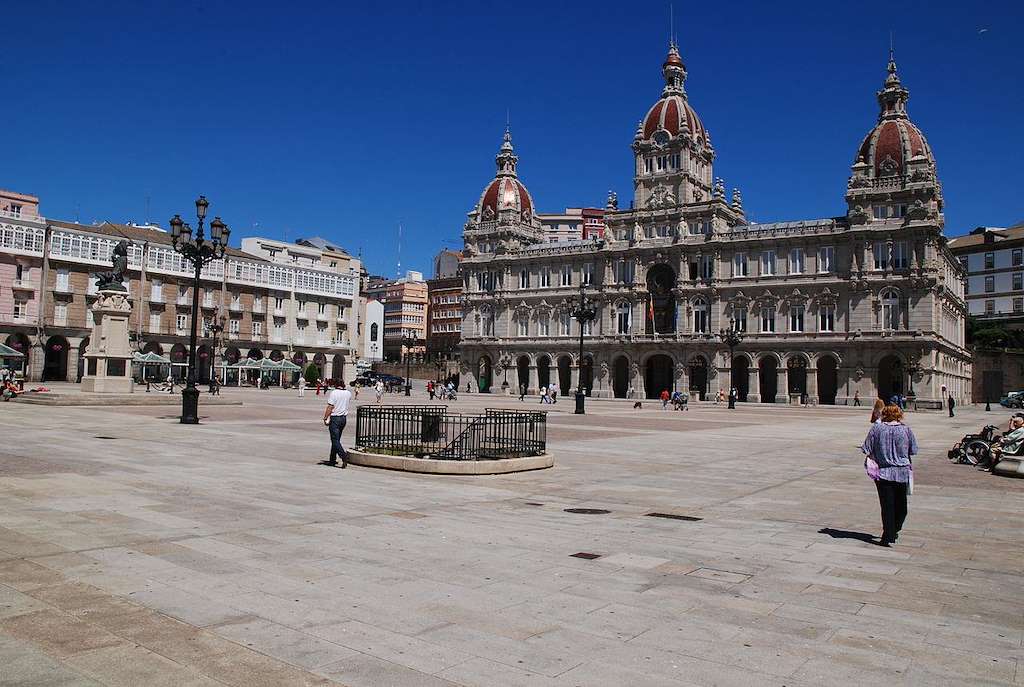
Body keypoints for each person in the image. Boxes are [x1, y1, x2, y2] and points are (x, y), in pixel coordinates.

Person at [861, 404, 917, 546]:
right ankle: (893, 530)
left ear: (884, 414)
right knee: (901, 506)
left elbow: (866, 447)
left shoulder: (877, 429)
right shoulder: (906, 430)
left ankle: (889, 533)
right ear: (899, 415)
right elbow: (914, 449)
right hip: (901, 472)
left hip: (883, 473)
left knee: (887, 506)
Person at [322, 380, 357, 468]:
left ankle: (344, 456)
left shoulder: (334, 393)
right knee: (336, 440)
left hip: (335, 418)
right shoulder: (348, 393)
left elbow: (330, 406)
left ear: (335, 384)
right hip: (343, 419)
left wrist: (325, 417)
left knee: (335, 440)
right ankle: (332, 459)